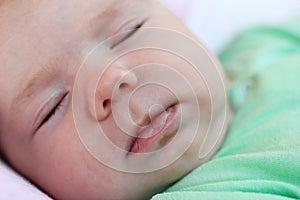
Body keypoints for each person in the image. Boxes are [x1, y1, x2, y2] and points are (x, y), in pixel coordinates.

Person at [0, 0, 230, 199]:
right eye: (54, 106)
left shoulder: (258, 48)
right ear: (21, 177)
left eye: (129, 31)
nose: (110, 80)